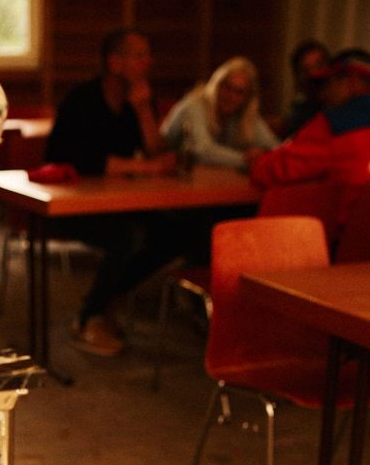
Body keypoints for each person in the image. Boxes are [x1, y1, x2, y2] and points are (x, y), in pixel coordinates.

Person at [44, 27, 176, 357]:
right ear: (114, 63)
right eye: (139, 56)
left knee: (174, 232)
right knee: (126, 236)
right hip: (68, 204)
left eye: (148, 55)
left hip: (115, 201)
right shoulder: (82, 99)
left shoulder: (139, 99)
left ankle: (103, 302)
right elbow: (77, 159)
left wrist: (144, 111)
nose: (148, 62)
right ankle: (88, 318)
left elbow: (158, 152)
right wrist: (146, 168)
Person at [250, 48, 370, 207]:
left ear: (351, 82)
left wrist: (258, 160)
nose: (322, 95)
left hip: (355, 221)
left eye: (327, 84)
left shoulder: (335, 123)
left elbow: (271, 172)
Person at [160, 57, 279, 171]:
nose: (231, 96)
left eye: (239, 92)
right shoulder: (194, 105)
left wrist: (263, 153)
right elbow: (203, 152)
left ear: (247, 98)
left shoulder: (243, 113)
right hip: (166, 176)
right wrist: (247, 159)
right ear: (216, 85)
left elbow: (275, 146)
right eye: (227, 87)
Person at [280, 39, 330, 137]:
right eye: (306, 70)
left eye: (319, 65)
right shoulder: (300, 114)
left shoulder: (346, 106)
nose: (314, 74)